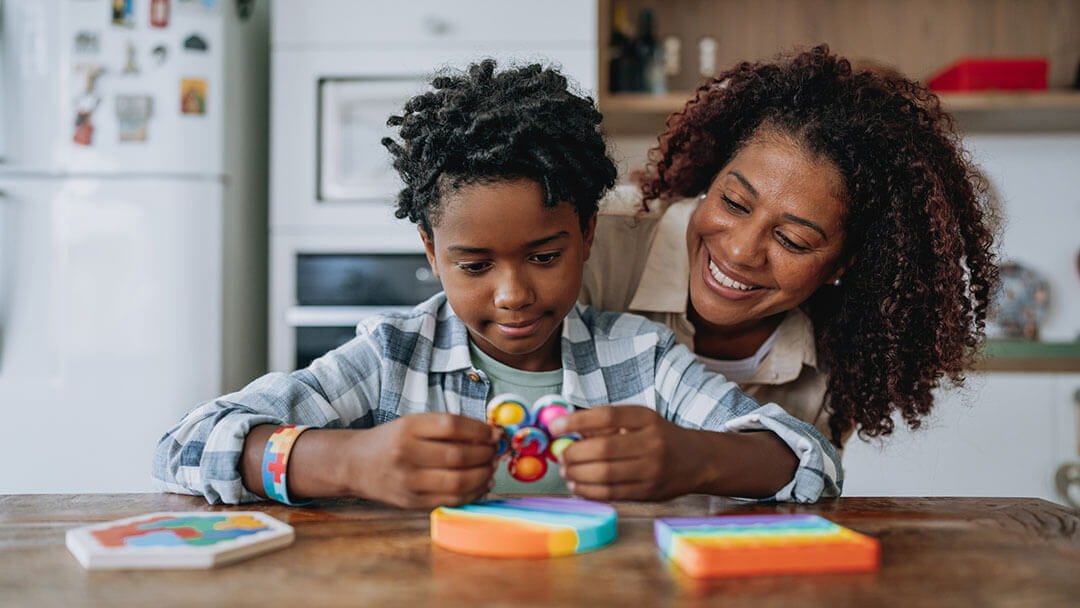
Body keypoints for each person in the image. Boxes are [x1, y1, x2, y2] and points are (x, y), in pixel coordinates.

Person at [152, 60, 840, 508]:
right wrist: (344, 461)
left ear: (588, 237)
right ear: (431, 250)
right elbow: (186, 443)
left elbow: (812, 460)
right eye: (474, 266)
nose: (512, 294)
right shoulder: (394, 358)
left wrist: (698, 457)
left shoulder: (640, 357)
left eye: (544, 257)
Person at [582, 45, 999, 447]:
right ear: (713, 174)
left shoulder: (846, 357)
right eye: (733, 202)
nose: (743, 251)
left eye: (793, 240)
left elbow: (800, 497)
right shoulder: (594, 242)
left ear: (842, 265)